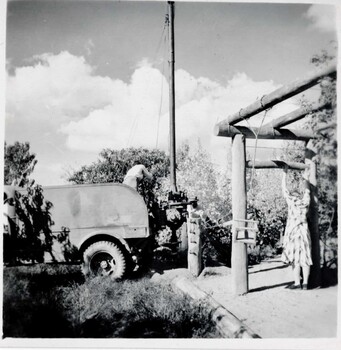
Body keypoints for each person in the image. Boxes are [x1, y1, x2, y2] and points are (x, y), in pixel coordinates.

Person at [281, 165, 312, 290]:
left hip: (294, 234)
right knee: (305, 258)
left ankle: (297, 283)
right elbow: (308, 190)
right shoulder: (305, 202)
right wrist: (306, 178)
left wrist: (284, 174)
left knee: (295, 259)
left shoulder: (291, 202)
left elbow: (284, 189)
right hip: (304, 232)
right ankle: (305, 283)